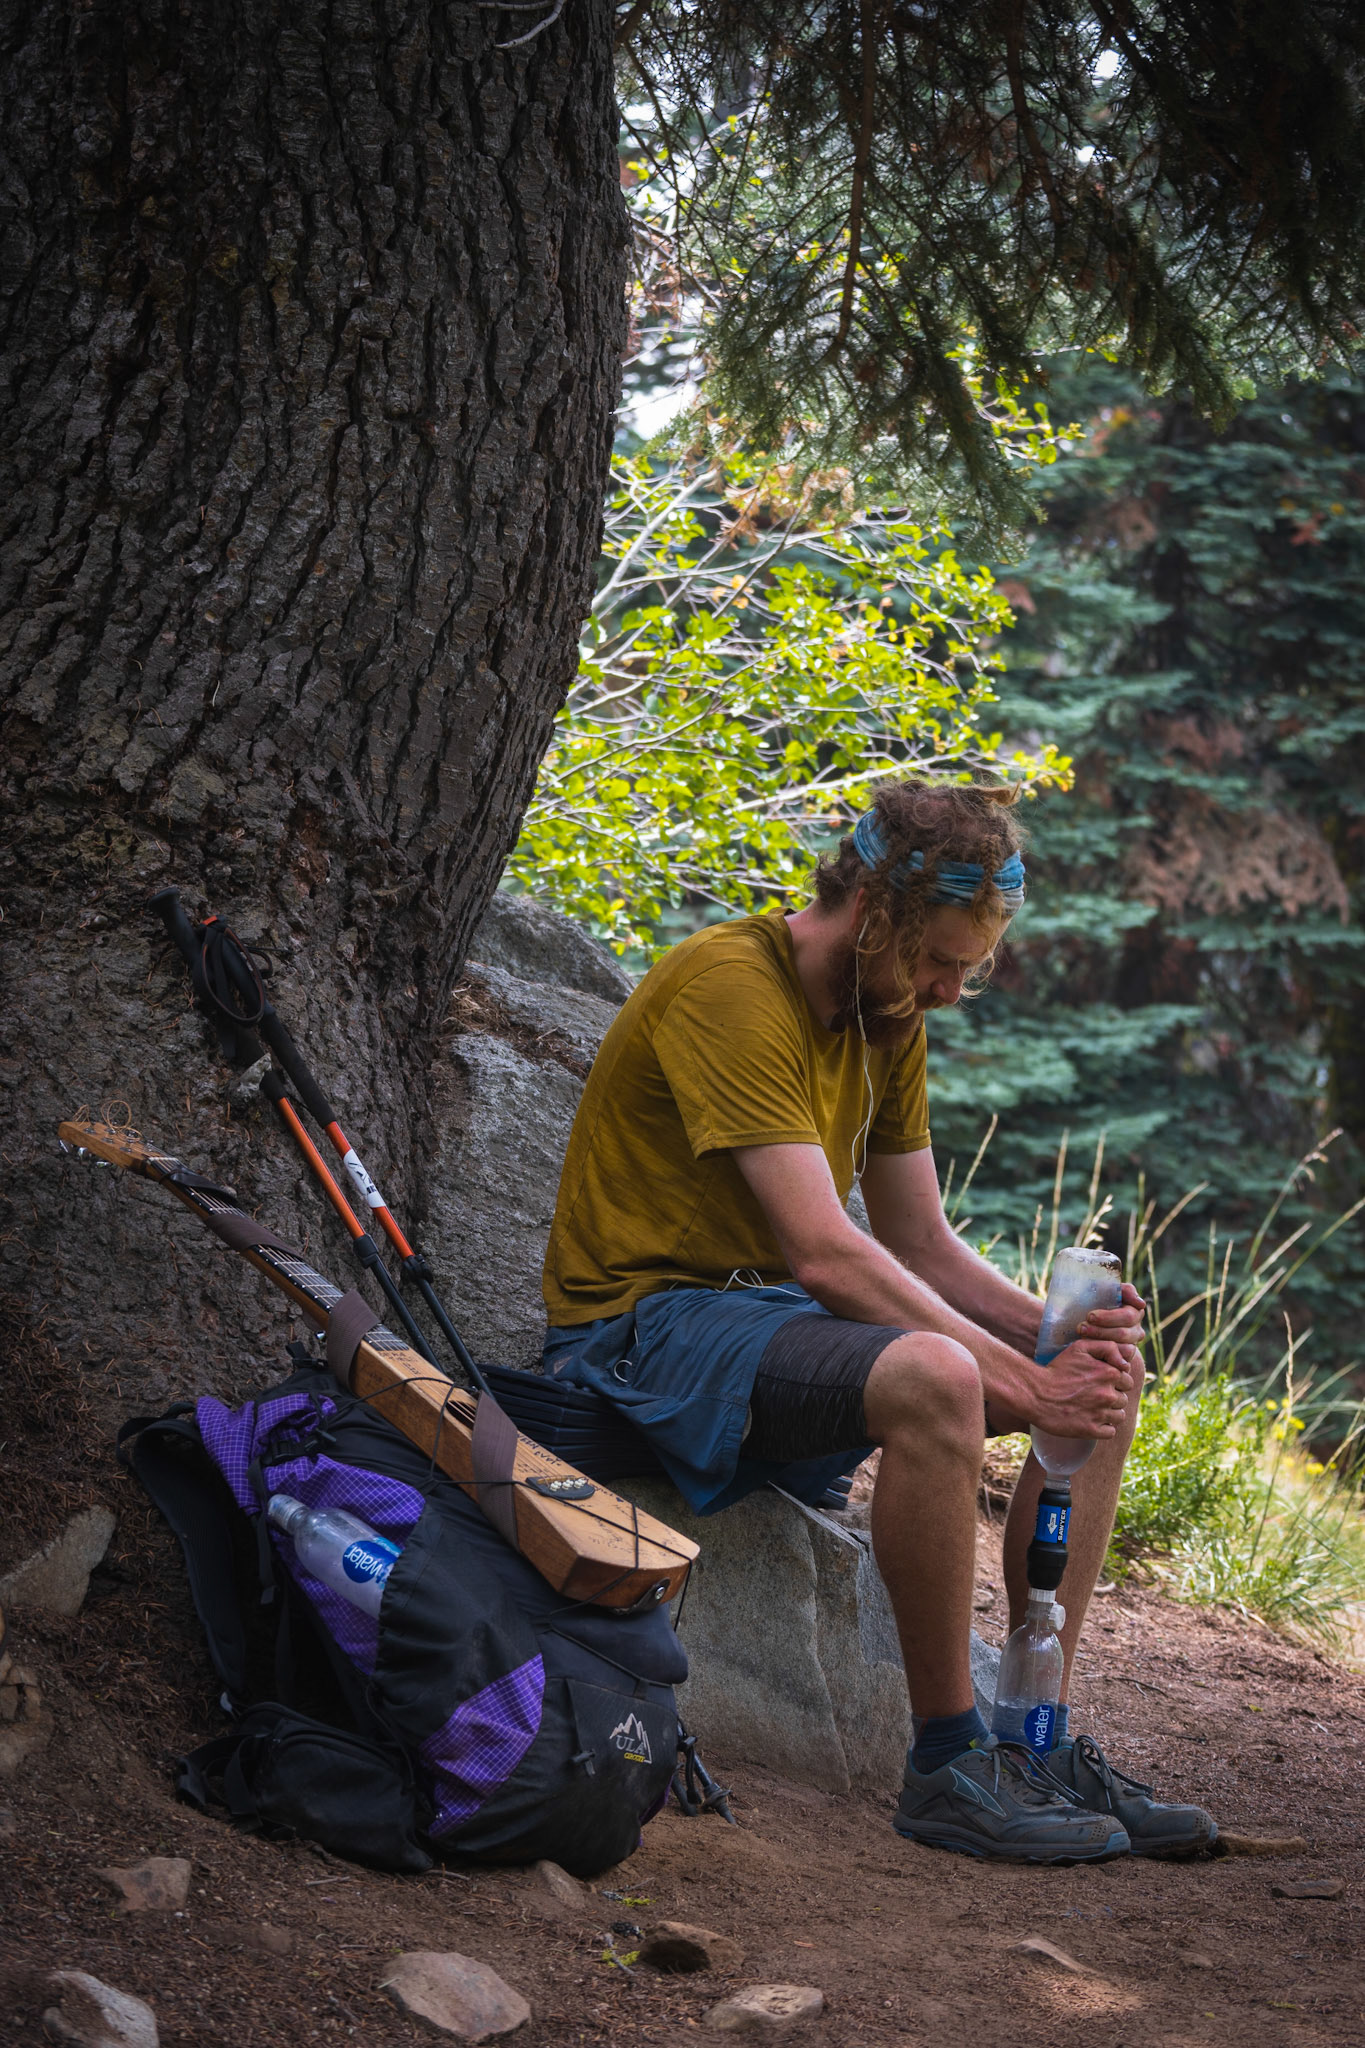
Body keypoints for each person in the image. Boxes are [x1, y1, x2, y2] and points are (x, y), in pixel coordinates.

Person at [541, 777, 1214, 1862]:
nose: (952, 987)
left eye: (968, 966)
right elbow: (823, 1246)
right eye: (940, 958)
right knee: (945, 1376)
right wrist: (1006, 1369)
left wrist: (1055, 1333)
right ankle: (947, 1762)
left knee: (1092, 1378)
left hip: (765, 1325)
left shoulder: (887, 1012)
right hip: (638, 1329)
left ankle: (1033, 1734)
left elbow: (920, 1239)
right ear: (874, 913)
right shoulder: (732, 983)